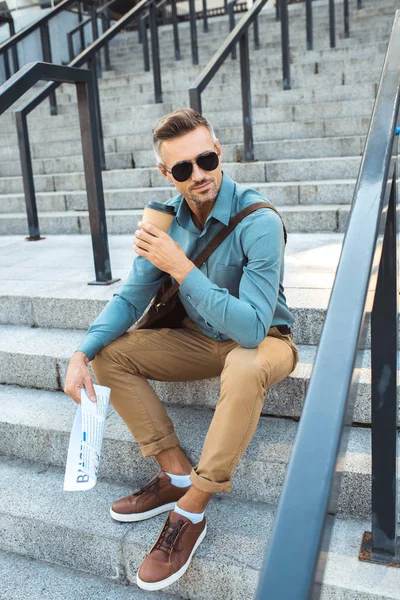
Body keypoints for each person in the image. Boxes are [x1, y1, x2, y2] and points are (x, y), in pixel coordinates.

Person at [64, 108, 298, 592]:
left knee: (243, 363)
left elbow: (254, 329)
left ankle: (192, 508)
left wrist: (182, 266)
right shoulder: (165, 219)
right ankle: (173, 474)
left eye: (207, 159)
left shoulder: (259, 219)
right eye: (183, 168)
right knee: (111, 355)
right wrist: (81, 353)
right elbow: (131, 295)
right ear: (166, 174)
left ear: (219, 151)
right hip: (200, 341)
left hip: (266, 342)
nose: (200, 175)